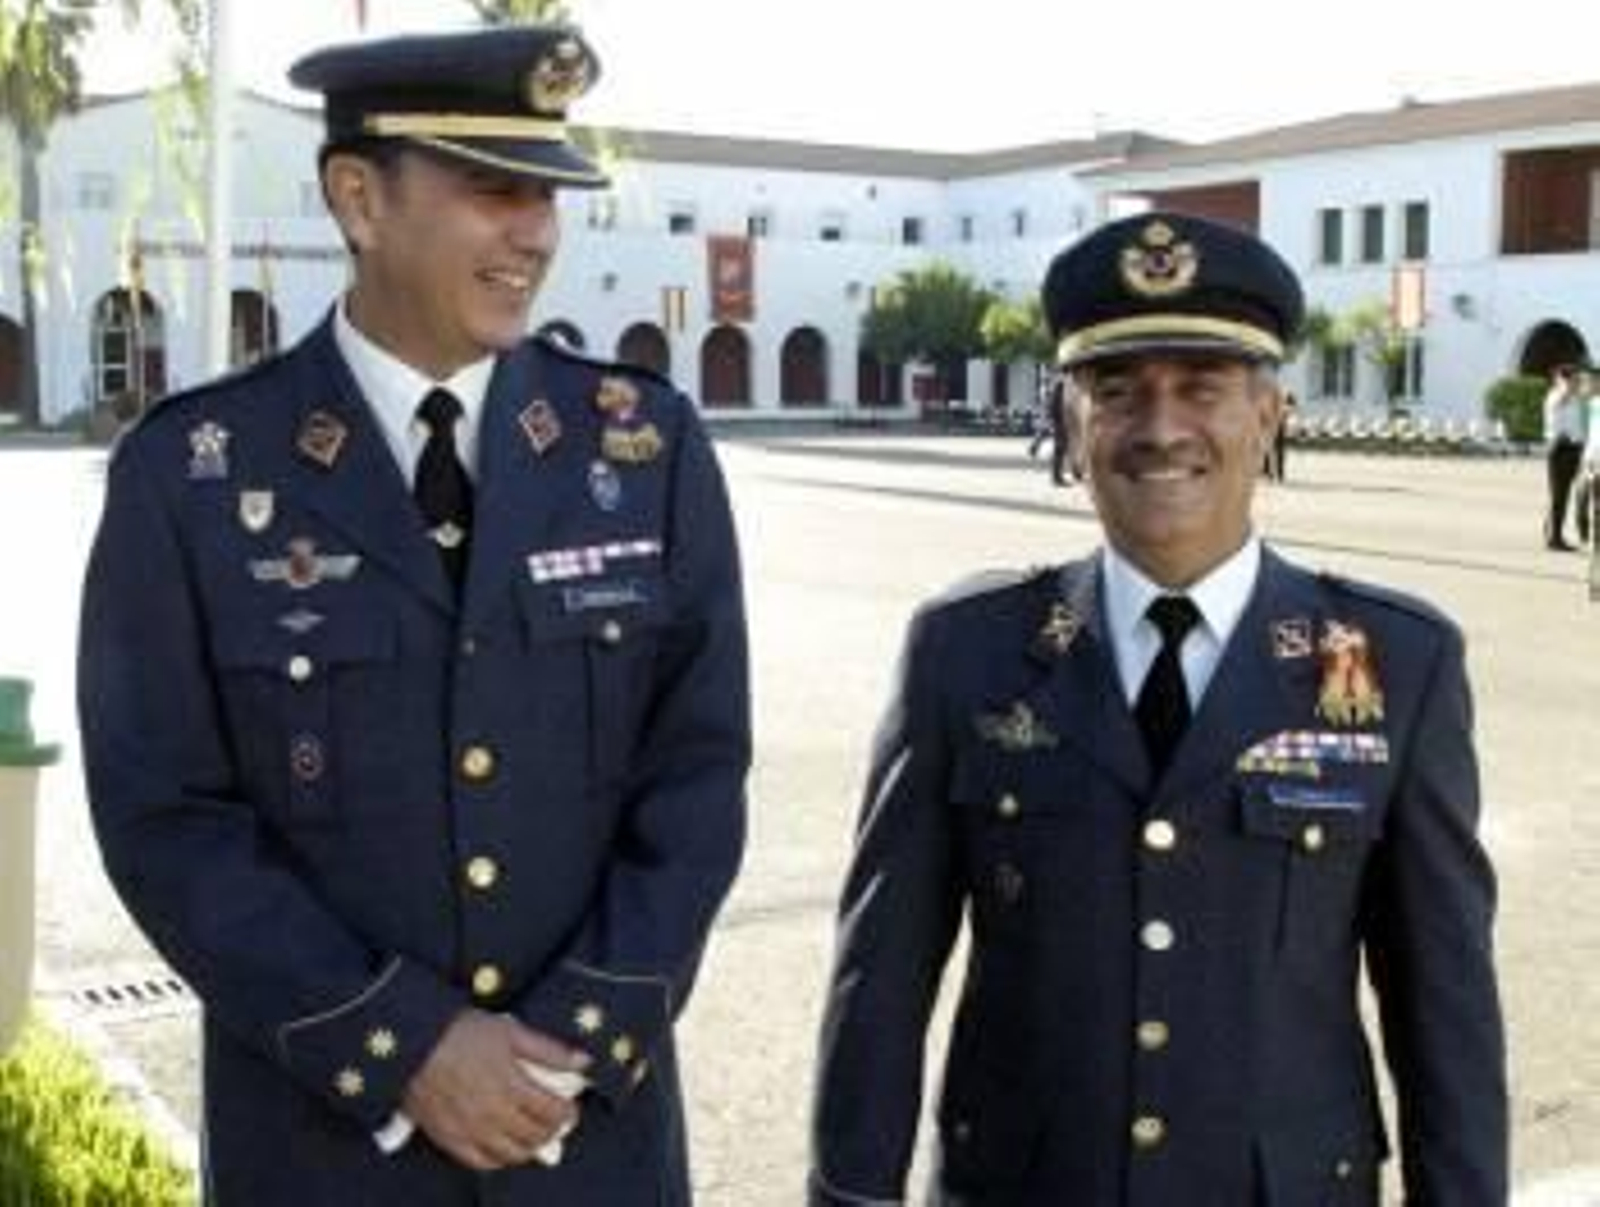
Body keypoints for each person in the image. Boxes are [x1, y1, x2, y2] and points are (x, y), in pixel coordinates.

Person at [78, 25, 750, 1205]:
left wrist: (571, 1039)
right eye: (493, 188)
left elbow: (695, 775)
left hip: (581, 1141)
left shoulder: (645, 449)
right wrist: (405, 1046)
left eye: (548, 193)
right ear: (359, 198)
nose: (535, 230)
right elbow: (167, 817)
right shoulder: (189, 475)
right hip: (326, 1151)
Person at [810, 212, 1506, 1205]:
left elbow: (1445, 1005)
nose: (1160, 426)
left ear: (1269, 416)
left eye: (1202, 388)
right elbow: (879, 978)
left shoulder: (1397, 662)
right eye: (1116, 389)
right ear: (1066, 419)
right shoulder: (965, 652)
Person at [1542, 362, 1586, 549]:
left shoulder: (1573, 397)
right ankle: (1554, 537)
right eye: (1574, 378)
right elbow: (1564, 396)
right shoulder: (1557, 396)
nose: (1577, 382)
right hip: (1560, 449)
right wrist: (1565, 384)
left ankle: (1552, 530)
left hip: (1574, 448)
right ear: (1564, 379)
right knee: (1560, 495)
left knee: (1564, 494)